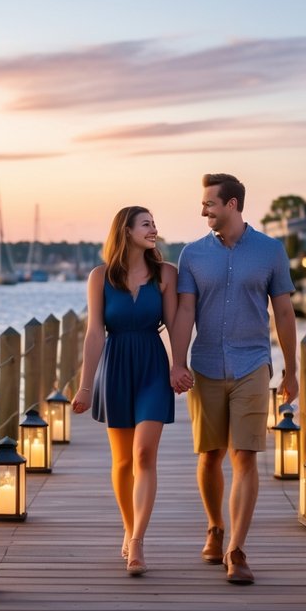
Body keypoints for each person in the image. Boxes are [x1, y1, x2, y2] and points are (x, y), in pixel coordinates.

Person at [169, 173, 299, 585]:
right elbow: (185, 312)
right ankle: (214, 526)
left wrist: (291, 370)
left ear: (232, 204)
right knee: (210, 455)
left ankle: (236, 550)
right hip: (204, 365)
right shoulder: (191, 255)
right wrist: (177, 361)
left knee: (245, 456)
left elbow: (283, 312)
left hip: (252, 365)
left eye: (209, 203)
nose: (203, 209)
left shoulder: (270, 251)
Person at [72, 206, 177, 577]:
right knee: (122, 462)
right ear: (126, 230)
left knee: (145, 453)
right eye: (146, 224)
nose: (154, 229)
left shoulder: (166, 274)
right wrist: (85, 387)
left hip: (151, 365)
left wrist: (179, 363)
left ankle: (137, 542)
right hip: (114, 367)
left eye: (154, 223)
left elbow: (178, 324)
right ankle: (128, 525)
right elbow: (94, 333)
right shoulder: (100, 277)